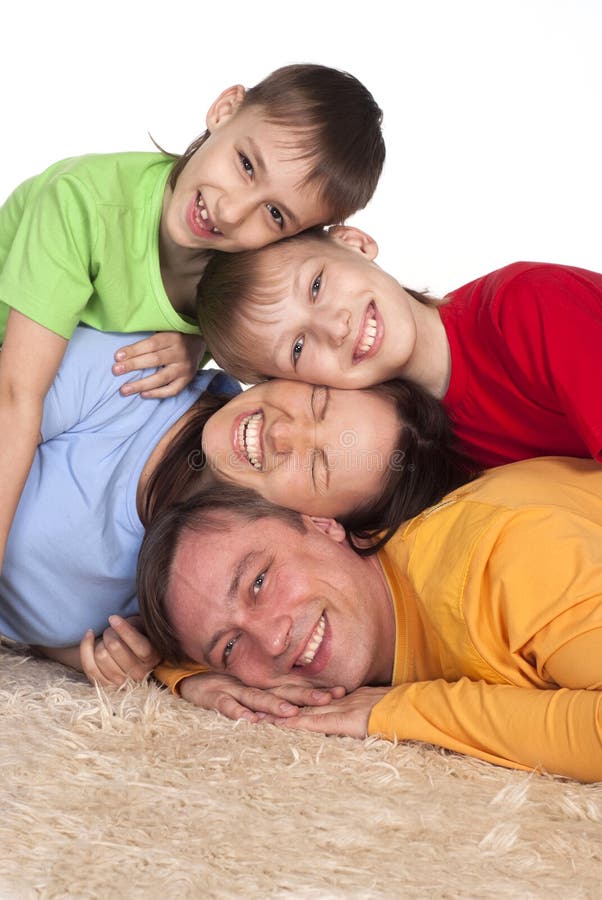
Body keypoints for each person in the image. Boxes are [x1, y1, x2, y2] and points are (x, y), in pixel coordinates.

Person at [0, 65, 386, 577]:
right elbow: (16, 395)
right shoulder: (82, 203)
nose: (229, 210)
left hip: (73, 440)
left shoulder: (239, 284)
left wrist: (202, 336)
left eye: (275, 215)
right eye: (246, 164)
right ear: (226, 109)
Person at [0, 325, 469, 688]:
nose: (282, 434)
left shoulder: (208, 592)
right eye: (316, 401)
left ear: (322, 521)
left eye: (318, 468)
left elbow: (32, 634)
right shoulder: (134, 371)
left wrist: (111, 659)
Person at [139, 458, 602, 783]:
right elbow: (173, 645)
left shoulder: (506, 561)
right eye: (230, 646)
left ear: (322, 524)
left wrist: (405, 711)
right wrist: (192, 679)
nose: (273, 639)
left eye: (259, 582)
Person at [195, 226, 602, 468]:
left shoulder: (524, 307)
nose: (335, 327)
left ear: (354, 242)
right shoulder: (404, 451)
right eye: (298, 348)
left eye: (316, 285)